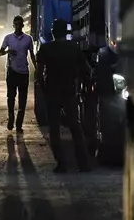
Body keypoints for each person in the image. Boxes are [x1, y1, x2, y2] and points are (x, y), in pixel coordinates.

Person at [36, 19, 92, 173]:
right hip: (69, 92)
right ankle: (83, 164)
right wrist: (82, 86)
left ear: (53, 32)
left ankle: (62, 164)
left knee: (54, 130)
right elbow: (86, 70)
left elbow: (39, 74)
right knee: (75, 127)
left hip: (53, 93)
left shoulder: (46, 49)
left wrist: (45, 90)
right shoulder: (74, 48)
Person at [0, 15, 36, 133]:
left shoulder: (28, 39)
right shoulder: (8, 38)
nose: (18, 27)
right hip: (12, 71)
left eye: (20, 24)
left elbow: (32, 55)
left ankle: (19, 123)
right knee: (11, 96)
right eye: (16, 24)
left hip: (24, 72)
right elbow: (0, 52)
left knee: (23, 98)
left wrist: (36, 69)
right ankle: (11, 117)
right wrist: (7, 51)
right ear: (13, 25)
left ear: (23, 25)